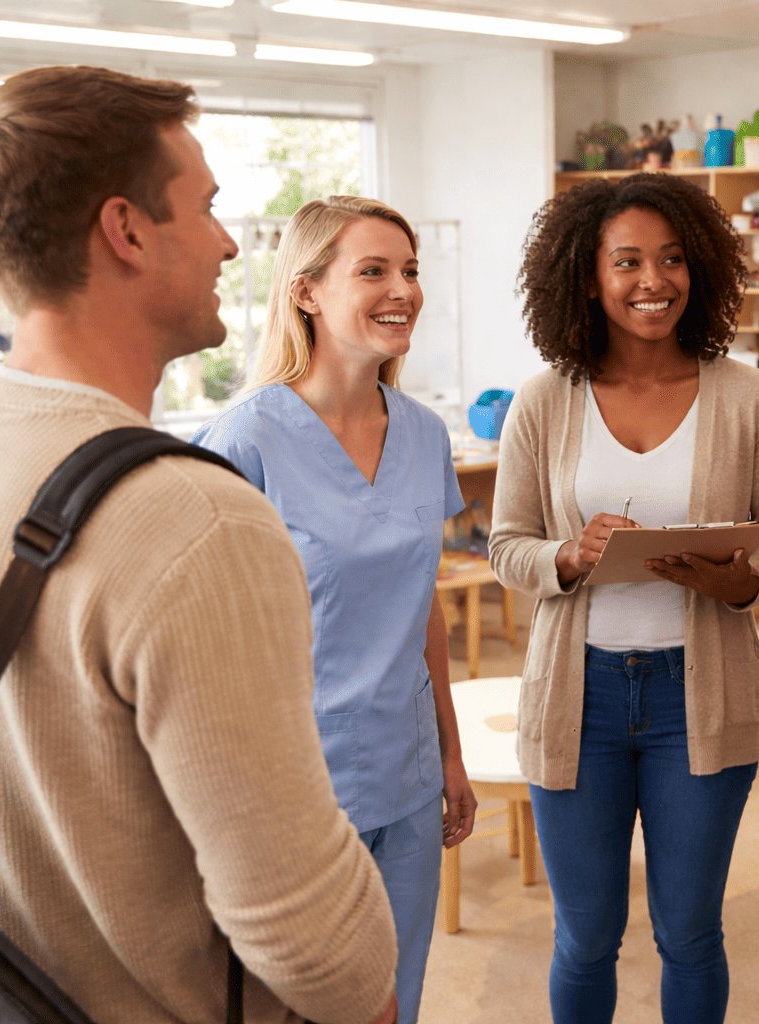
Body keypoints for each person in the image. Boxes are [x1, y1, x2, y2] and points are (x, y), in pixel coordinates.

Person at [0, 66, 397, 1024]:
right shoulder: (194, 521)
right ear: (127, 230)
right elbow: (311, 940)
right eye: (208, 207)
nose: (228, 242)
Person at [490, 173, 759, 1024]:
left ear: (699, 268)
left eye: (671, 259)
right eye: (626, 261)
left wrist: (740, 581)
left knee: (691, 932)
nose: (651, 280)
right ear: (588, 275)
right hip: (575, 698)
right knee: (584, 935)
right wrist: (570, 554)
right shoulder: (546, 399)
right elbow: (506, 546)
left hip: (697, 698)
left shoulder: (748, 396)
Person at [193, 195, 475, 1024]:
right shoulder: (243, 440)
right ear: (307, 293)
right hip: (295, 787)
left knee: (399, 994)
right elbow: (209, 646)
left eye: (411, 269)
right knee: (300, 1005)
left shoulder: (423, 436)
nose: (404, 289)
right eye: (375, 270)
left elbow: (421, 606)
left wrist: (451, 756)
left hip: (410, 771)